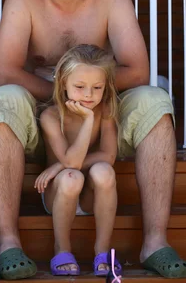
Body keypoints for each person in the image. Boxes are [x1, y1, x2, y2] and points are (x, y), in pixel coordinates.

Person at [0, 0, 186, 279]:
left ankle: (155, 242)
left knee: (154, 99)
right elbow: (6, 71)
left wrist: (88, 97)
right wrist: (63, 93)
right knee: (4, 97)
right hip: (43, 115)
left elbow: (137, 70)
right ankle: (8, 242)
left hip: (100, 111)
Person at [34, 44, 121, 278]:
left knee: (104, 171)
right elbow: (72, 163)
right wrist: (88, 120)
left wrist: (57, 165)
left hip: (93, 193)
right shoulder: (50, 116)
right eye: (80, 87)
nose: (88, 95)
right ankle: (61, 249)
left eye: (97, 87)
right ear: (63, 83)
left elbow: (108, 156)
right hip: (60, 192)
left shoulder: (106, 110)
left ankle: (103, 251)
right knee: (72, 177)